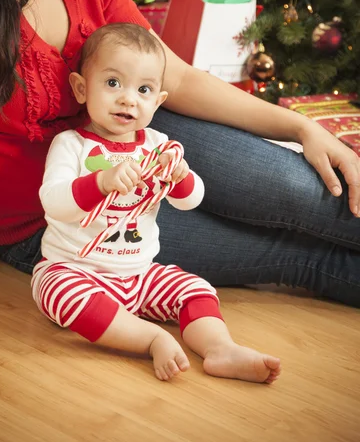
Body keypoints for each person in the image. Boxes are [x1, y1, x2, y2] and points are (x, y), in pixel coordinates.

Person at [0, 0, 359, 309]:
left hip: (133, 134)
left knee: (303, 190)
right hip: (51, 223)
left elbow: (179, 76)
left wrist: (302, 129)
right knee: (297, 256)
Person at [32, 23, 282, 382]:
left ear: (158, 101)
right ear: (81, 88)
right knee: (55, 292)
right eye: (113, 83)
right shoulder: (72, 145)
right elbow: (53, 202)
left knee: (195, 288)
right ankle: (150, 338)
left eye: (144, 89)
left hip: (139, 274)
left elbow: (192, 199)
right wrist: (100, 182)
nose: (128, 99)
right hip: (77, 269)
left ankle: (219, 348)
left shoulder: (157, 145)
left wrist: (179, 177)